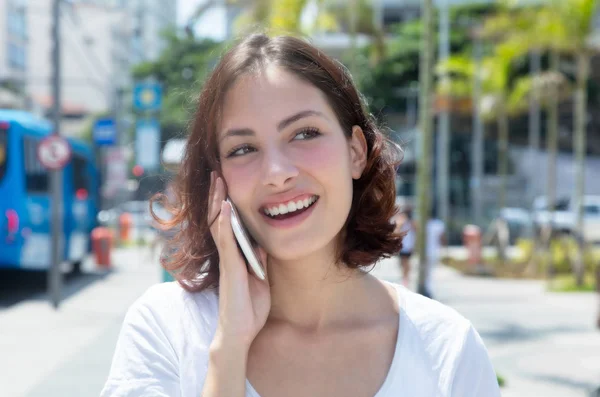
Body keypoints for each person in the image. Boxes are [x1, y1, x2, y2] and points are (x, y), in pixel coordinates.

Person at [100, 34, 500, 397]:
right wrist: (229, 349)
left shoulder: (446, 348)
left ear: (355, 151)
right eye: (243, 149)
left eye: (304, 134)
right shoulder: (167, 329)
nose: (277, 173)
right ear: (218, 179)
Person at [425, 206, 447, 299]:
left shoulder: (424, 224)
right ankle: (427, 288)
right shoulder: (439, 224)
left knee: (426, 271)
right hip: (434, 251)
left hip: (427, 251)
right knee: (429, 271)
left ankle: (427, 288)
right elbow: (442, 239)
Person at [391, 206, 415, 288]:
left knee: (406, 262)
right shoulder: (401, 222)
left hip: (408, 245)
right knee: (402, 262)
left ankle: (406, 278)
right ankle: (405, 276)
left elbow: (416, 232)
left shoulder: (412, 222)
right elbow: (396, 231)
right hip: (401, 245)